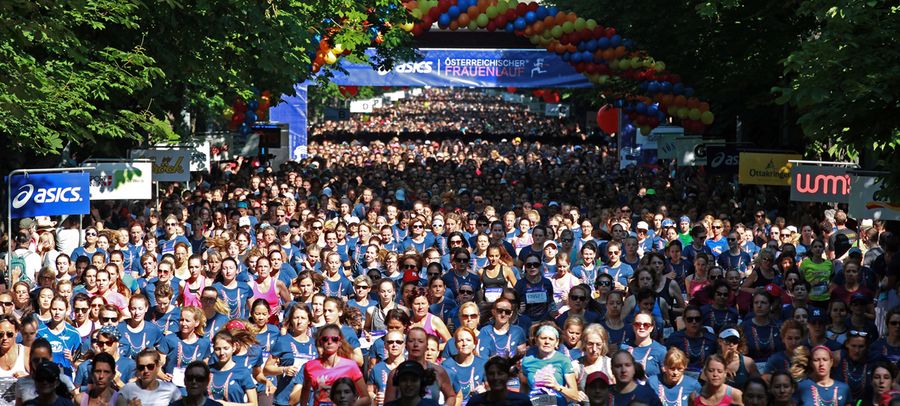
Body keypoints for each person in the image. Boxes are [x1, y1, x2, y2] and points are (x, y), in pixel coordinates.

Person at [295, 324, 369, 406]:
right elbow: (305, 389)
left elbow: (366, 398)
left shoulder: (351, 366)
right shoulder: (310, 366)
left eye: (334, 339)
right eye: (325, 339)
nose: (329, 342)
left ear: (340, 342)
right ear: (320, 341)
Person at [519, 323, 585, 405]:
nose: (547, 342)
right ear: (536, 340)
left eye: (551, 339)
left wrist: (557, 386)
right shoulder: (528, 360)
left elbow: (575, 395)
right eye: (543, 338)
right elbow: (524, 385)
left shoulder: (563, 360)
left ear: (557, 342)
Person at [15, 338, 77, 405]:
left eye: (44, 360)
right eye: (36, 360)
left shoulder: (64, 380)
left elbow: (75, 400)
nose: (40, 363)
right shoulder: (22, 382)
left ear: (51, 358)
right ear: (30, 359)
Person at [117, 349, 183, 406]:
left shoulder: (171, 390)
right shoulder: (127, 390)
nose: (146, 371)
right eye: (141, 367)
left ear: (158, 366)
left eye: (150, 366)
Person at [208, 331, 258, 405]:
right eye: (217, 349)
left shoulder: (242, 372)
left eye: (226, 348)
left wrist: (227, 404)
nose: (222, 353)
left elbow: (254, 404)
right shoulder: (208, 371)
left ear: (234, 347)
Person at [440, 327, 487, 406]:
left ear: (474, 344)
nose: (464, 343)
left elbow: (493, 389)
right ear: (455, 344)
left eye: (468, 340)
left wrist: (485, 391)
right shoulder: (446, 365)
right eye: (460, 340)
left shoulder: (483, 364)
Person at [36, 295, 81, 377]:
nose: (57, 312)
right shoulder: (40, 332)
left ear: (66, 311)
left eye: (60, 310)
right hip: (44, 379)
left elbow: (80, 364)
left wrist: (72, 359)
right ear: (50, 309)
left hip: (65, 378)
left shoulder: (74, 334)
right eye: (54, 309)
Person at [666, 306, 716, 377]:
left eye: (697, 319)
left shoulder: (711, 339)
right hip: (680, 377)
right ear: (684, 320)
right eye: (690, 319)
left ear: (702, 320)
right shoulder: (675, 338)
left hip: (705, 378)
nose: (694, 322)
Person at [466, 357, 531, 406]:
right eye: (491, 374)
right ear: (486, 377)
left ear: (508, 376)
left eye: (500, 373)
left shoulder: (521, 401)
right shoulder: (475, 402)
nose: (495, 378)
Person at [625, 312, 667, 378]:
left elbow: (666, 378)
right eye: (637, 324)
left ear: (651, 328)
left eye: (646, 325)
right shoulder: (624, 348)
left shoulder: (661, 351)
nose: (641, 327)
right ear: (633, 327)